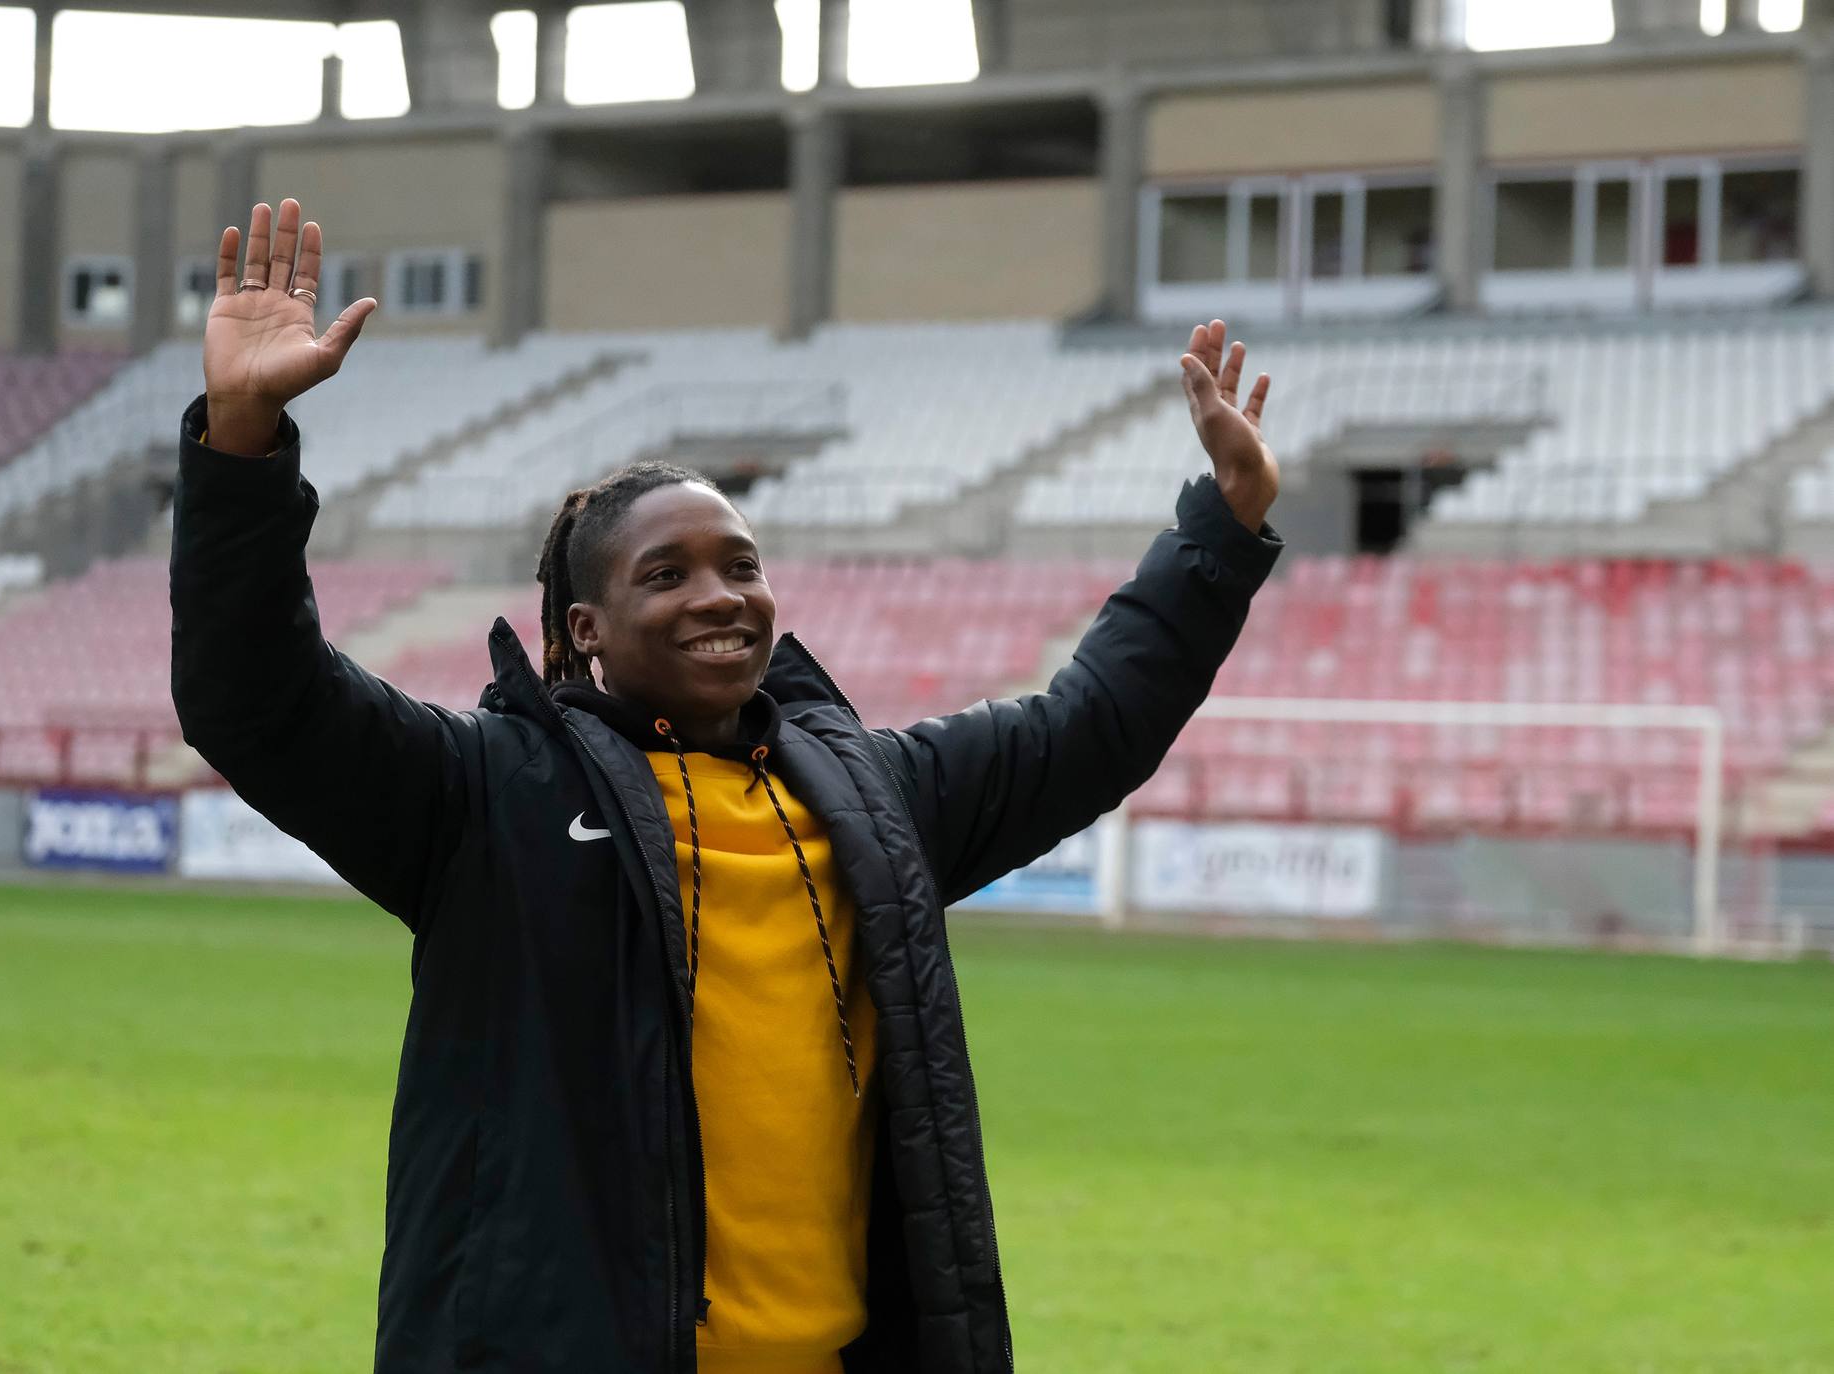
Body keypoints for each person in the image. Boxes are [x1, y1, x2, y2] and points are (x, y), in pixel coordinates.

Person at [171, 198, 1283, 1374]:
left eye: (741, 567)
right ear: (586, 627)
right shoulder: (485, 795)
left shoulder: (872, 797)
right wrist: (241, 442)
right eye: (669, 573)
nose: (720, 596)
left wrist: (1220, 532)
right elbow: (260, 700)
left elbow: (1088, 728)